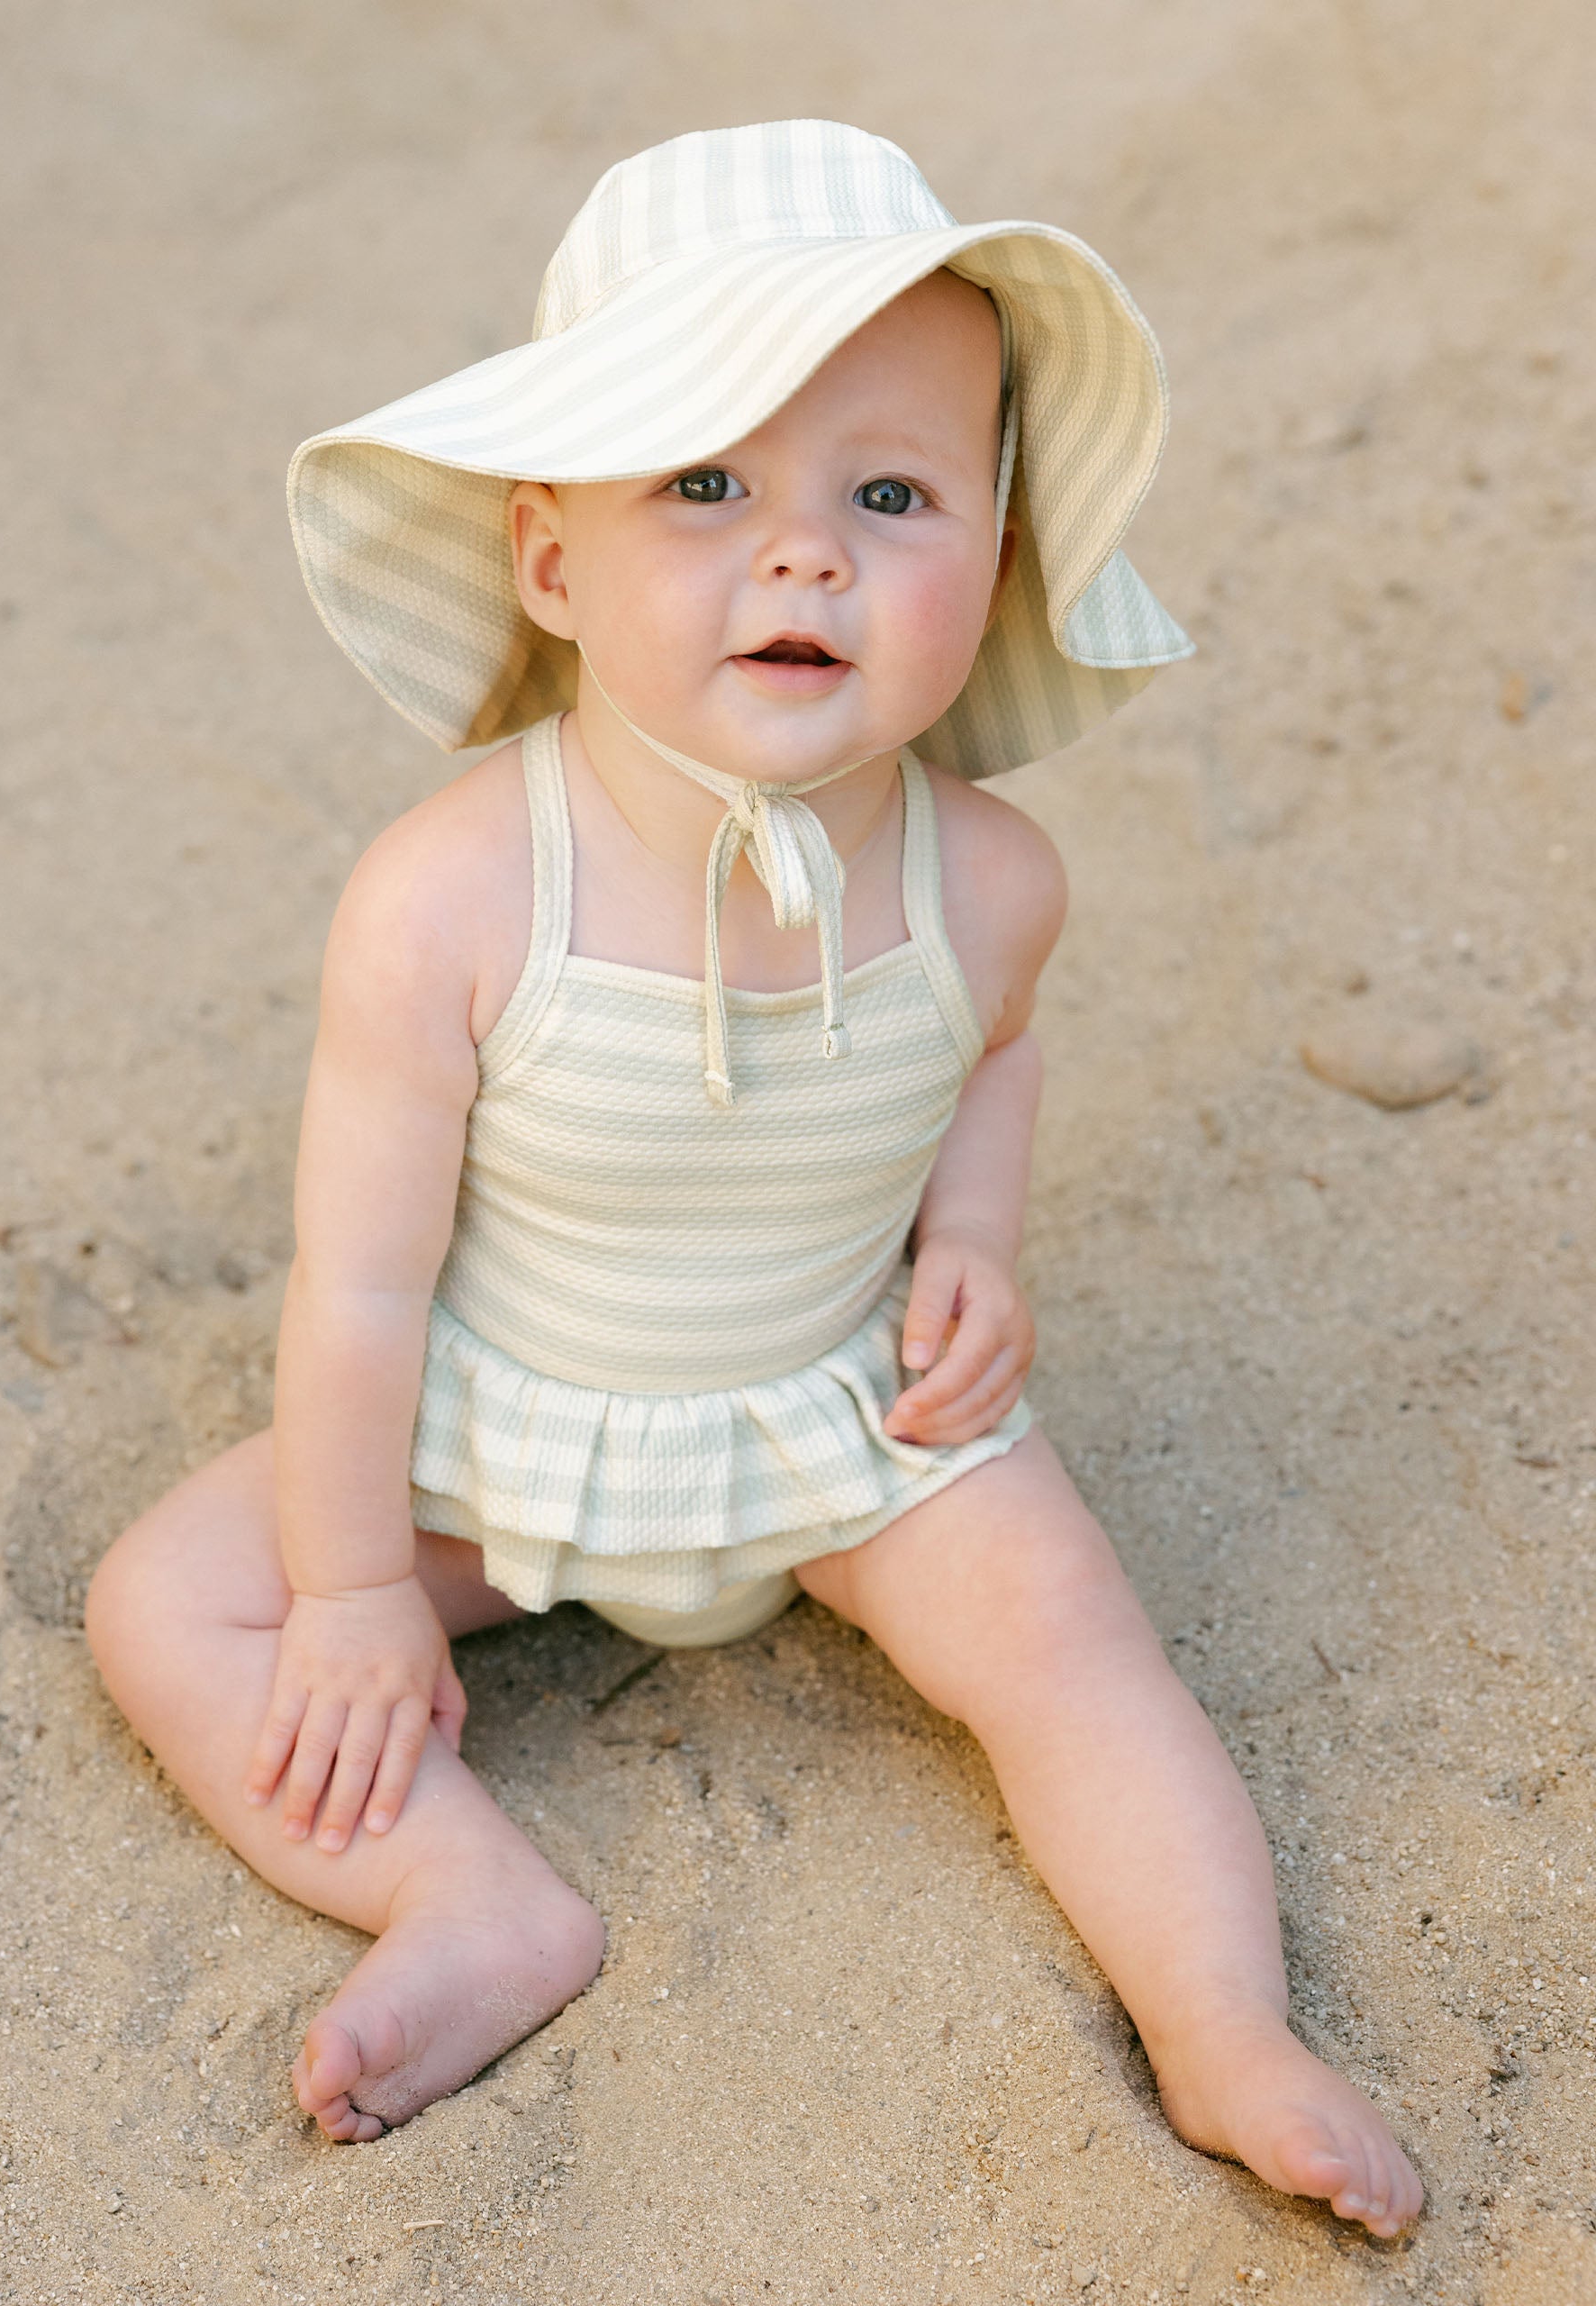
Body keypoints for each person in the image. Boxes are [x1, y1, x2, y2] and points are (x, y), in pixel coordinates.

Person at [86, 120, 1421, 2236]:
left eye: (888, 497)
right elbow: (354, 1286)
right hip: (493, 1416)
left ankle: (1223, 2022)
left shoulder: (987, 877)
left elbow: (994, 1051)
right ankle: (470, 1891)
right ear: (547, 560)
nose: (801, 556)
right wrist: (348, 1586)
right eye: (703, 484)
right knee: (174, 1595)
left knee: (1073, 1638)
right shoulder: (450, 895)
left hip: (835, 1409)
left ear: (985, 570)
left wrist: (971, 1238)